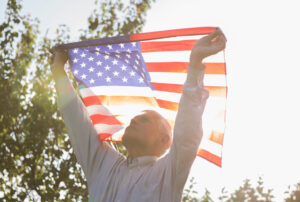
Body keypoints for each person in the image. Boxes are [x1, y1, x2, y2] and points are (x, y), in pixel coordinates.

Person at [50, 28, 226, 202]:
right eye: (137, 117)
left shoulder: (167, 175)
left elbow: (187, 134)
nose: (134, 119)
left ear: (165, 140)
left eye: (145, 119)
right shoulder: (103, 165)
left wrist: (195, 64)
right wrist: (59, 72)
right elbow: (77, 120)